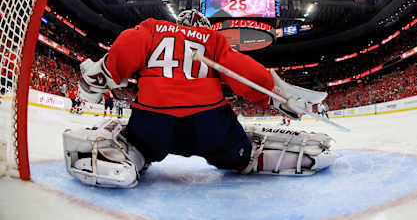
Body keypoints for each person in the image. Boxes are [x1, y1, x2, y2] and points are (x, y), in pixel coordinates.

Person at [63, 10, 335, 188]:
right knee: (239, 151)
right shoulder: (213, 39)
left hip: (153, 118)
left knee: (136, 142)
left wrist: (104, 74)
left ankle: (128, 157)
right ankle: (248, 157)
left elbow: (128, 44)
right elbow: (243, 72)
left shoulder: (154, 28)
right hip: (209, 123)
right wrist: (275, 97)